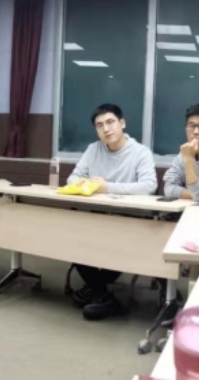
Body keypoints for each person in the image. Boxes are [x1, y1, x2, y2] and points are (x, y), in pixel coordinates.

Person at [68, 103, 157, 321]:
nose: (106, 129)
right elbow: (72, 179)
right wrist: (88, 184)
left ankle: (97, 291)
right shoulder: (93, 149)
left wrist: (107, 187)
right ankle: (102, 294)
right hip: (97, 218)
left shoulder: (140, 152)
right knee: (71, 239)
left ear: (122, 123)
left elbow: (149, 186)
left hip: (130, 221)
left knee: (116, 246)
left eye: (110, 122)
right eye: (100, 125)